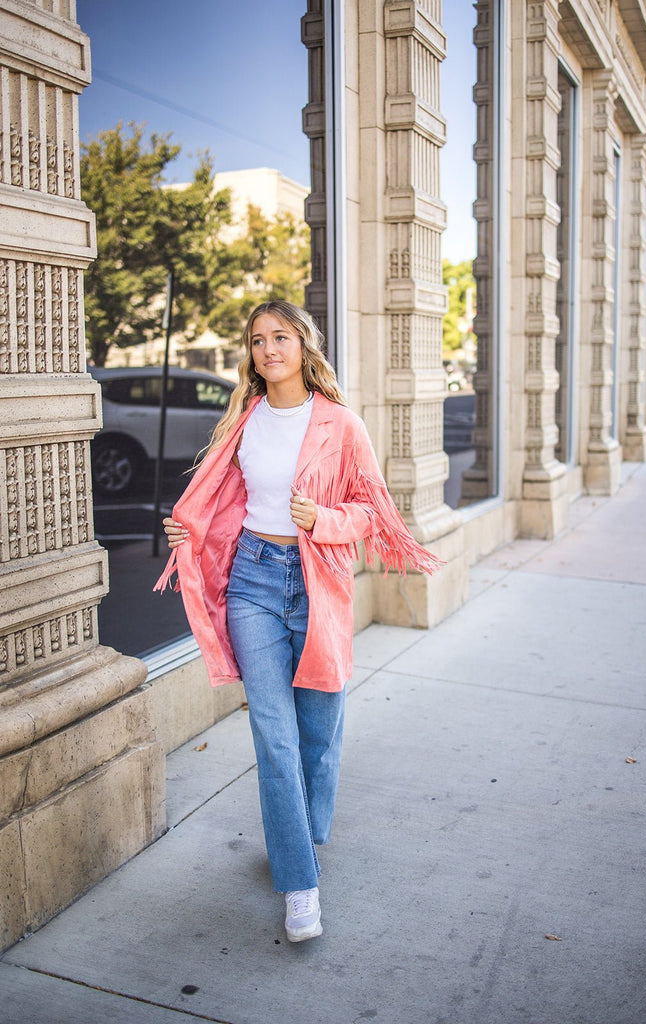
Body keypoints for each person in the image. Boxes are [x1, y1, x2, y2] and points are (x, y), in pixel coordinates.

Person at [155, 300, 440, 942]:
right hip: (254, 581)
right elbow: (218, 506)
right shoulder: (244, 421)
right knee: (273, 736)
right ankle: (299, 883)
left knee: (320, 731)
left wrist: (326, 520)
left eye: (280, 337)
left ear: (304, 346)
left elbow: (374, 513)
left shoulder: (340, 424)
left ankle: (305, 837)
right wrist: (186, 530)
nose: (268, 349)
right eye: (257, 340)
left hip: (317, 586)